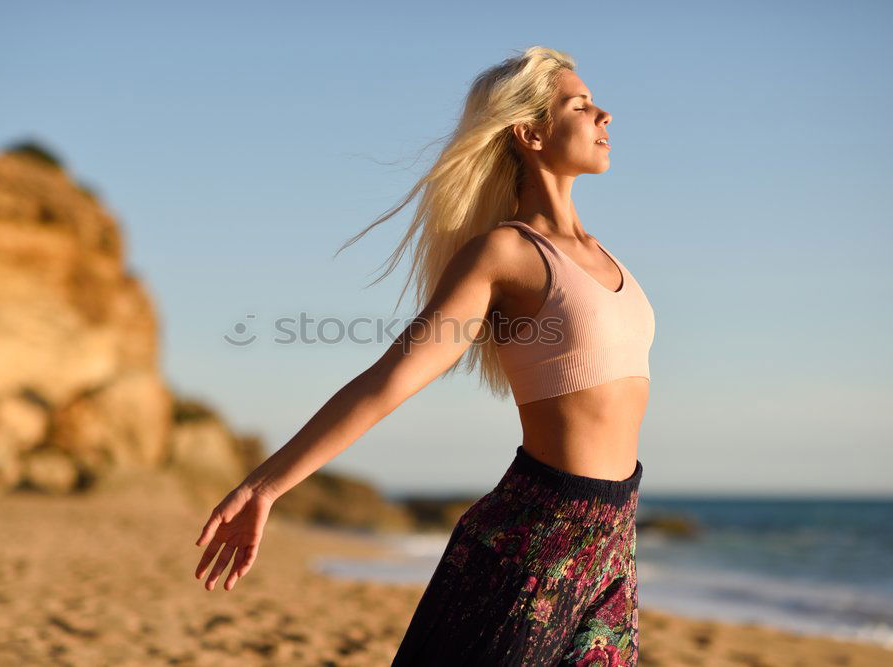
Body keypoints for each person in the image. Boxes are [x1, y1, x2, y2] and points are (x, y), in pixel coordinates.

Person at [193, 45, 654, 666]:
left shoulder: (607, 256)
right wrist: (266, 486)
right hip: (534, 541)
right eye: (581, 105)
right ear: (530, 132)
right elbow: (390, 379)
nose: (605, 116)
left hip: (613, 546)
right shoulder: (505, 254)